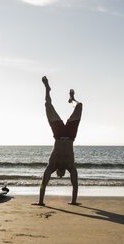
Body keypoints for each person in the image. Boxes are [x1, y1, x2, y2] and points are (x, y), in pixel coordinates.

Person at [36, 76, 82, 206]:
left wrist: (40, 201)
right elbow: (75, 184)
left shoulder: (51, 165)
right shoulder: (70, 166)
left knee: (47, 105)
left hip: (58, 133)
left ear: (56, 172)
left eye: (59, 175)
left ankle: (49, 90)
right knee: (80, 106)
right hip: (70, 135)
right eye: (62, 175)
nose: (61, 175)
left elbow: (43, 183)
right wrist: (73, 201)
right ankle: (73, 100)